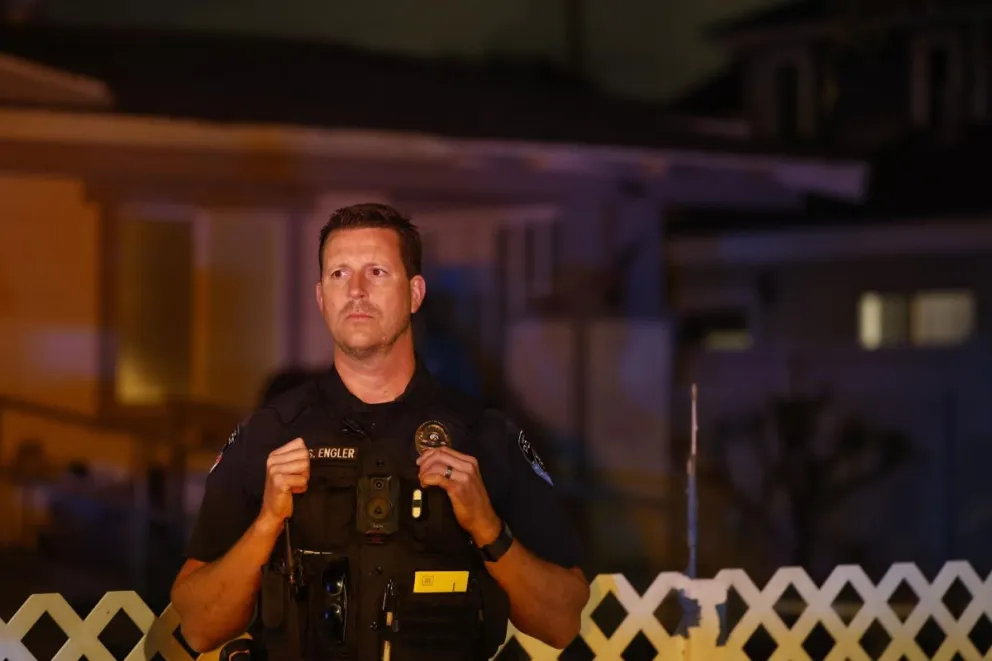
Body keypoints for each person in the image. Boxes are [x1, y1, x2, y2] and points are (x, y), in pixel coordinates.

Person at [169, 203, 590, 660]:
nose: (355, 291)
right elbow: (197, 624)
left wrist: (487, 527)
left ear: (414, 293)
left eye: (376, 272)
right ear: (319, 297)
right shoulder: (270, 435)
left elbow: (562, 620)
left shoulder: (485, 437)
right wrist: (266, 524)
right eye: (338, 275)